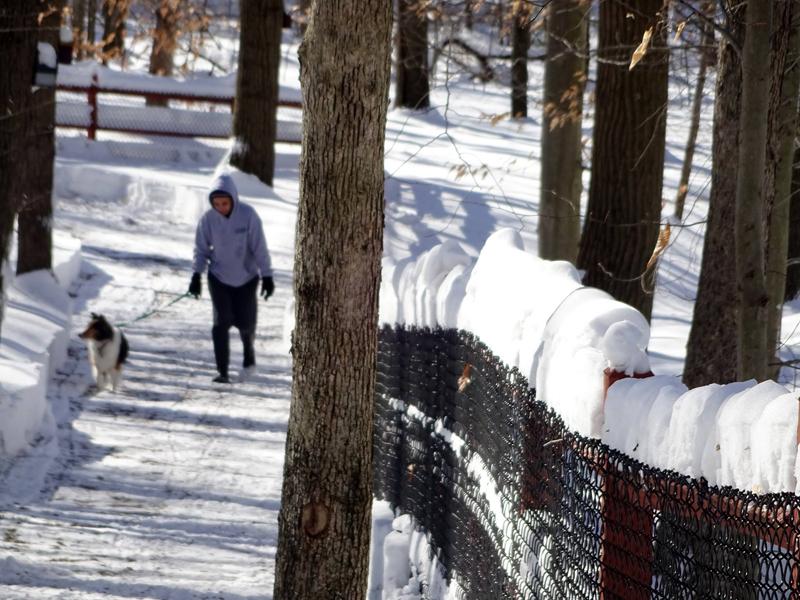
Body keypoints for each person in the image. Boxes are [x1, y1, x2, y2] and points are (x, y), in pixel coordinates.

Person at [189, 173, 275, 383]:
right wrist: (195, 276)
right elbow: (201, 249)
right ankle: (222, 371)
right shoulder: (208, 220)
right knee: (221, 322)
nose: (221, 207)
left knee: (246, 323)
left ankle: (248, 354)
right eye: (216, 204)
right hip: (219, 277)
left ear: (233, 199)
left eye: (224, 203)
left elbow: (259, 248)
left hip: (246, 277)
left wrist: (267, 275)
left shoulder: (248, 215)